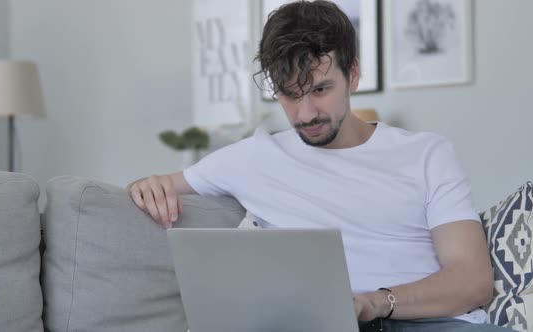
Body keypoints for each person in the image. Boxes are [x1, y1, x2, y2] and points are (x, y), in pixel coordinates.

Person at [129, 1, 508, 331]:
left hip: (433, 323)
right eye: (290, 95)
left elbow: (472, 281)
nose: (305, 113)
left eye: (320, 90)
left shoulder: (427, 154)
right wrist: (145, 186)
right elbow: (155, 185)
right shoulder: (252, 157)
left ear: (353, 75)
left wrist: (373, 302)